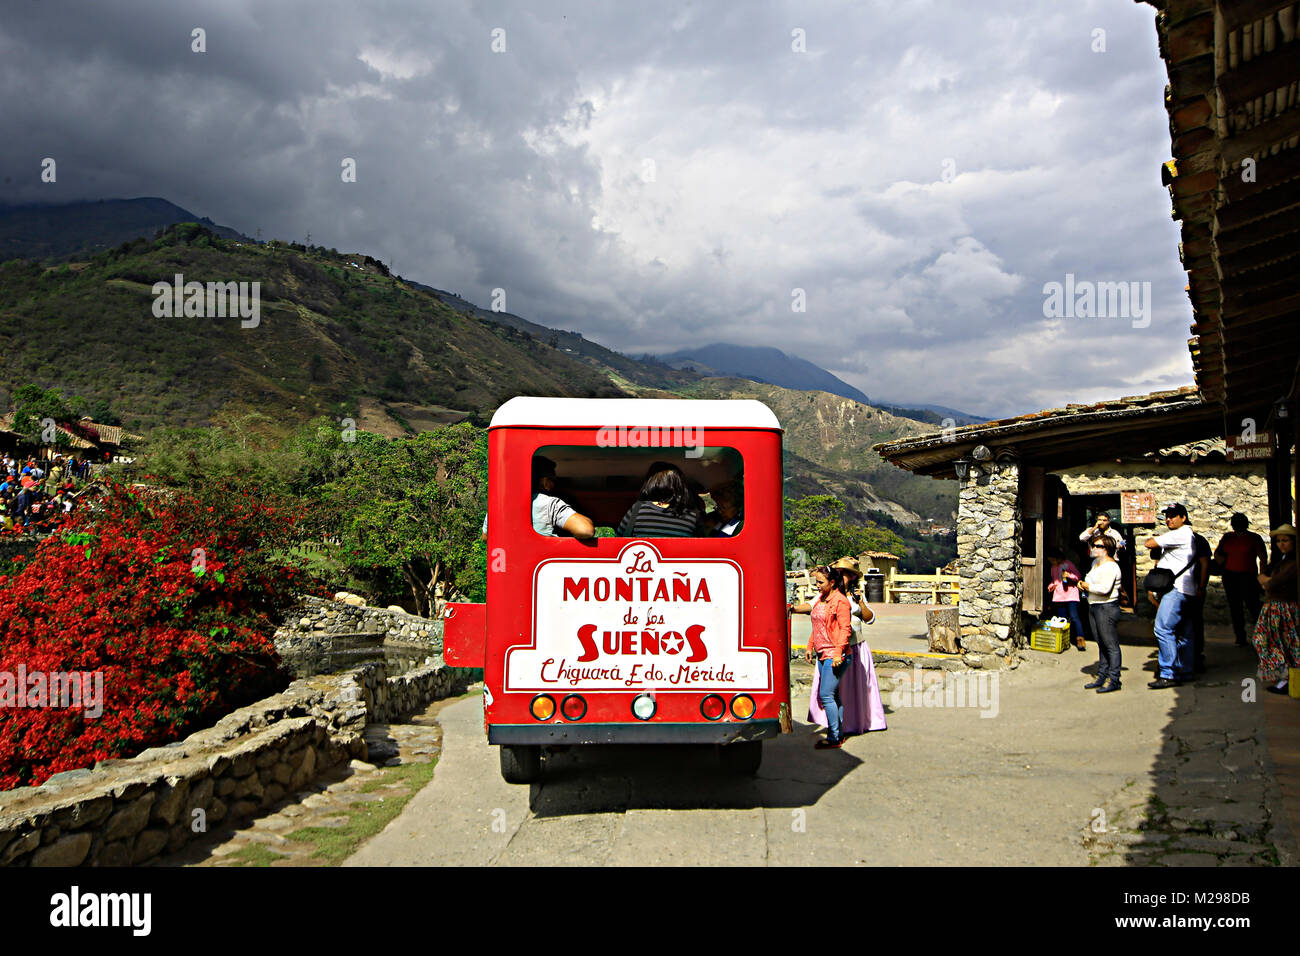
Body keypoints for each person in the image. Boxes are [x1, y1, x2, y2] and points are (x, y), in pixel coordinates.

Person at [791, 566, 854, 749]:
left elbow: (845, 629)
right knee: (833, 695)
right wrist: (810, 646)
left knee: (825, 695)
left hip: (835, 655)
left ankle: (834, 737)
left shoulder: (840, 601)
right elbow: (819, 625)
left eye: (820, 582)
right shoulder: (821, 598)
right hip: (822, 653)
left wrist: (837, 653)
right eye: (816, 582)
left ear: (832, 582)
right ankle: (839, 732)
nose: (817, 586)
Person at [1144, 502, 1199, 688]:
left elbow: (1149, 543)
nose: (1169, 519)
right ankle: (1185, 671)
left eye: (1173, 516)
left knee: (1162, 628)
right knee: (1184, 633)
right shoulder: (1188, 535)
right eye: (1167, 515)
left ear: (1183, 518)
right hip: (1187, 589)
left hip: (1176, 589)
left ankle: (1168, 673)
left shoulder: (1180, 533)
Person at [1252, 524, 1298, 696]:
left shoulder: (1293, 563)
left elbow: (1272, 582)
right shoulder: (1283, 561)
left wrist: (1266, 580)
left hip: (1284, 608)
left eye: (1285, 540)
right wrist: (1265, 579)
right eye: (1279, 541)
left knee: (1282, 643)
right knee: (1267, 641)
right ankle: (1283, 676)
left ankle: (1287, 678)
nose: (1281, 544)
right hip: (1274, 607)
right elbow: (1263, 576)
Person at [1215, 513, 1269, 646]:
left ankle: (1263, 635)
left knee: (1254, 606)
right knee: (1235, 608)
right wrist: (1222, 562)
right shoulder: (1227, 537)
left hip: (1248, 577)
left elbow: (1263, 558)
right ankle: (1240, 637)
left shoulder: (1254, 538)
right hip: (1230, 576)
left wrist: (1262, 576)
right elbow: (1218, 553)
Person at [1078, 536, 1123, 692]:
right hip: (1094, 605)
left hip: (1106, 607)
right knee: (1101, 643)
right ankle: (1102, 675)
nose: (1094, 548)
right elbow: (1090, 580)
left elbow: (1105, 589)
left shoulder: (1111, 567)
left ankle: (1114, 679)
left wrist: (1087, 586)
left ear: (1107, 549)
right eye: (1093, 545)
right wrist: (1083, 585)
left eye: (1098, 546)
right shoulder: (1095, 564)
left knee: (1110, 645)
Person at [617, 462, 700, 537]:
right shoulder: (691, 515)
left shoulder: (638, 509)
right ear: (680, 487)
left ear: (652, 484)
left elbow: (618, 540)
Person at [530, 455, 594, 538]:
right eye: (553, 480)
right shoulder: (547, 503)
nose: (554, 485)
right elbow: (585, 530)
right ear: (544, 481)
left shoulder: (512, 503)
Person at [1046, 548, 1086, 650]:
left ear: (1058, 558)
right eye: (1050, 561)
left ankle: (1080, 638)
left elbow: (1078, 576)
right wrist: (1051, 585)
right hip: (1059, 596)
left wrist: (1068, 575)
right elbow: (1055, 581)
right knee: (1062, 618)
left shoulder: (1068, 564)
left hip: (1071, 595)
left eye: (1053, 560)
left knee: (1074, 617)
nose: (1052, 562)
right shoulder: (1053, 567)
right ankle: (1064, 640)